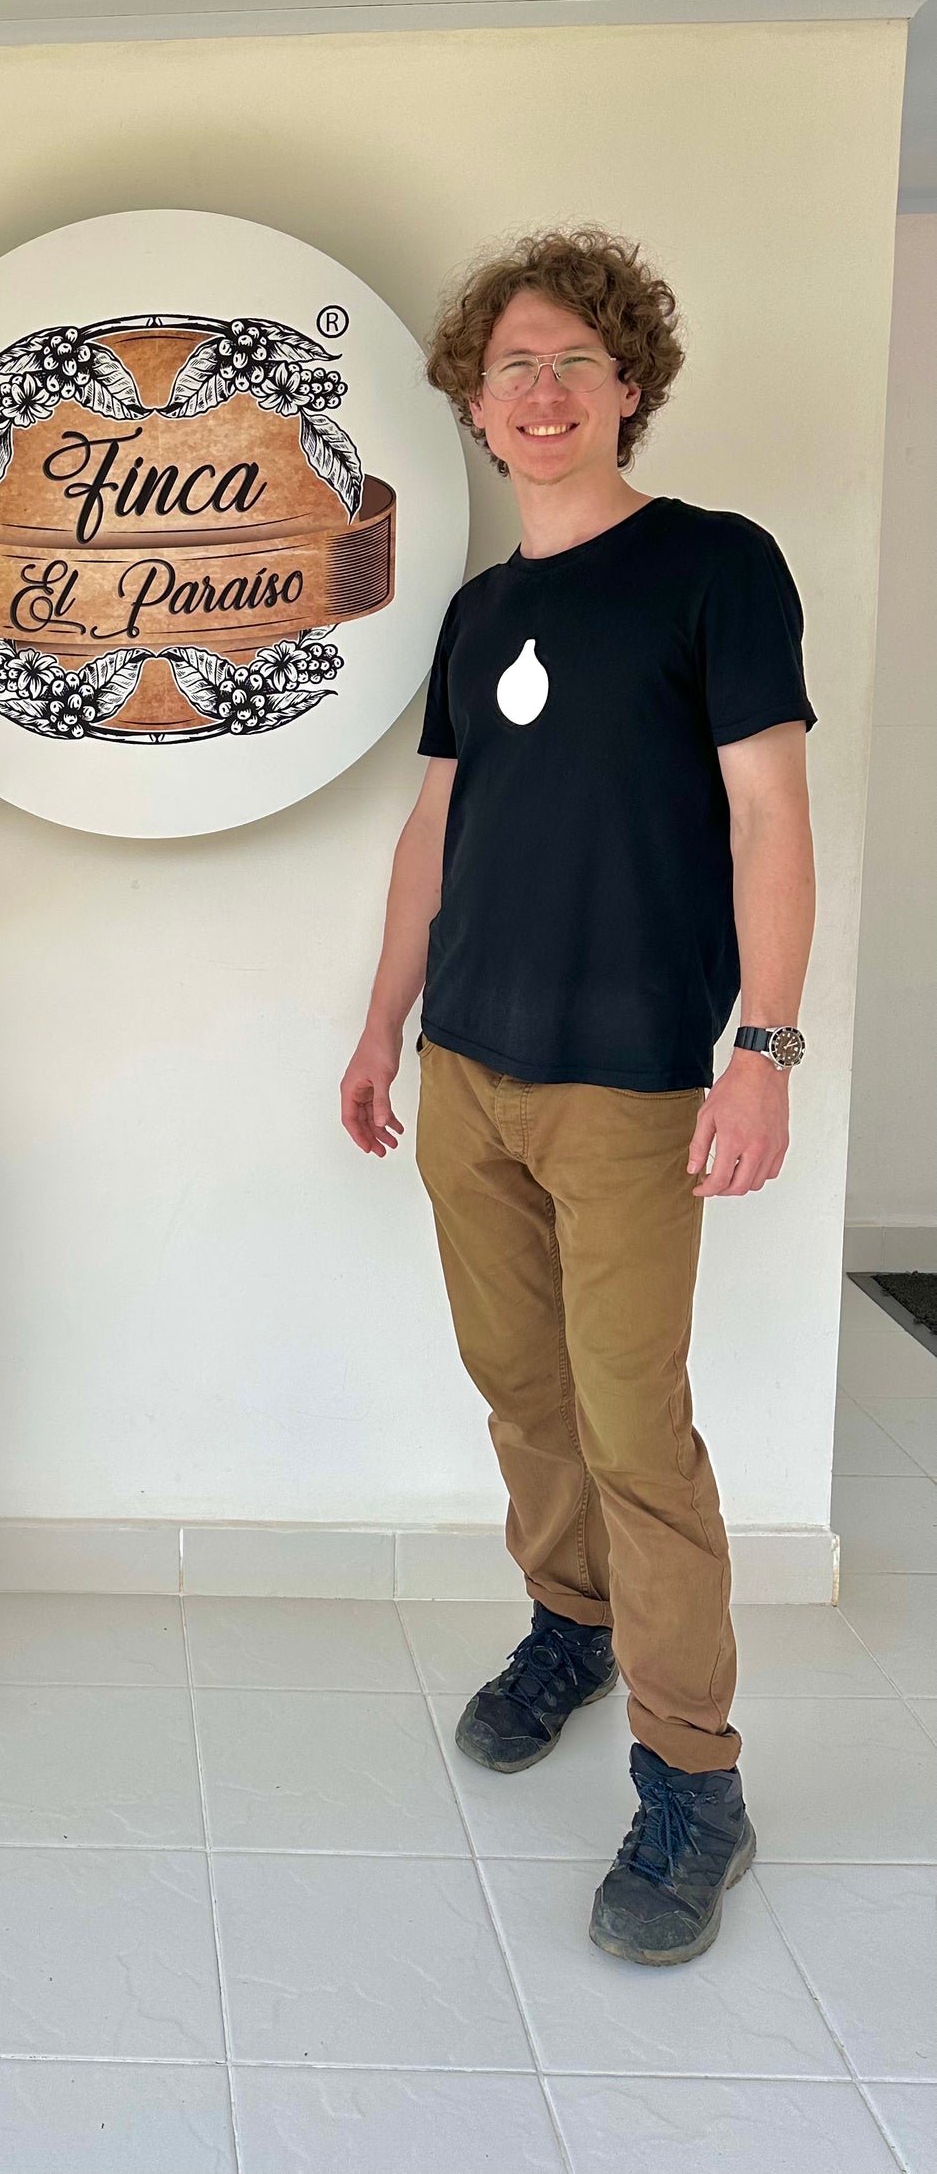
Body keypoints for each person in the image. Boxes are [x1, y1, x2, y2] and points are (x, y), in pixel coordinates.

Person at [340, 230, 815, 1965]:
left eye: (572, 364)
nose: (540, 394)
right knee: (521, 1393)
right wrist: (380, 1028)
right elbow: (432, 832)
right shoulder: (478, 613)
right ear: (475, 408)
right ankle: (571, 1621)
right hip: (466, 1070)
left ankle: (694, 1778)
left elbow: (768, 816)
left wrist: (764, 1047)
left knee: (634, 1431)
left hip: (629, 1086)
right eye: (510, 370)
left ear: (627, 387)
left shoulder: (713, 567)